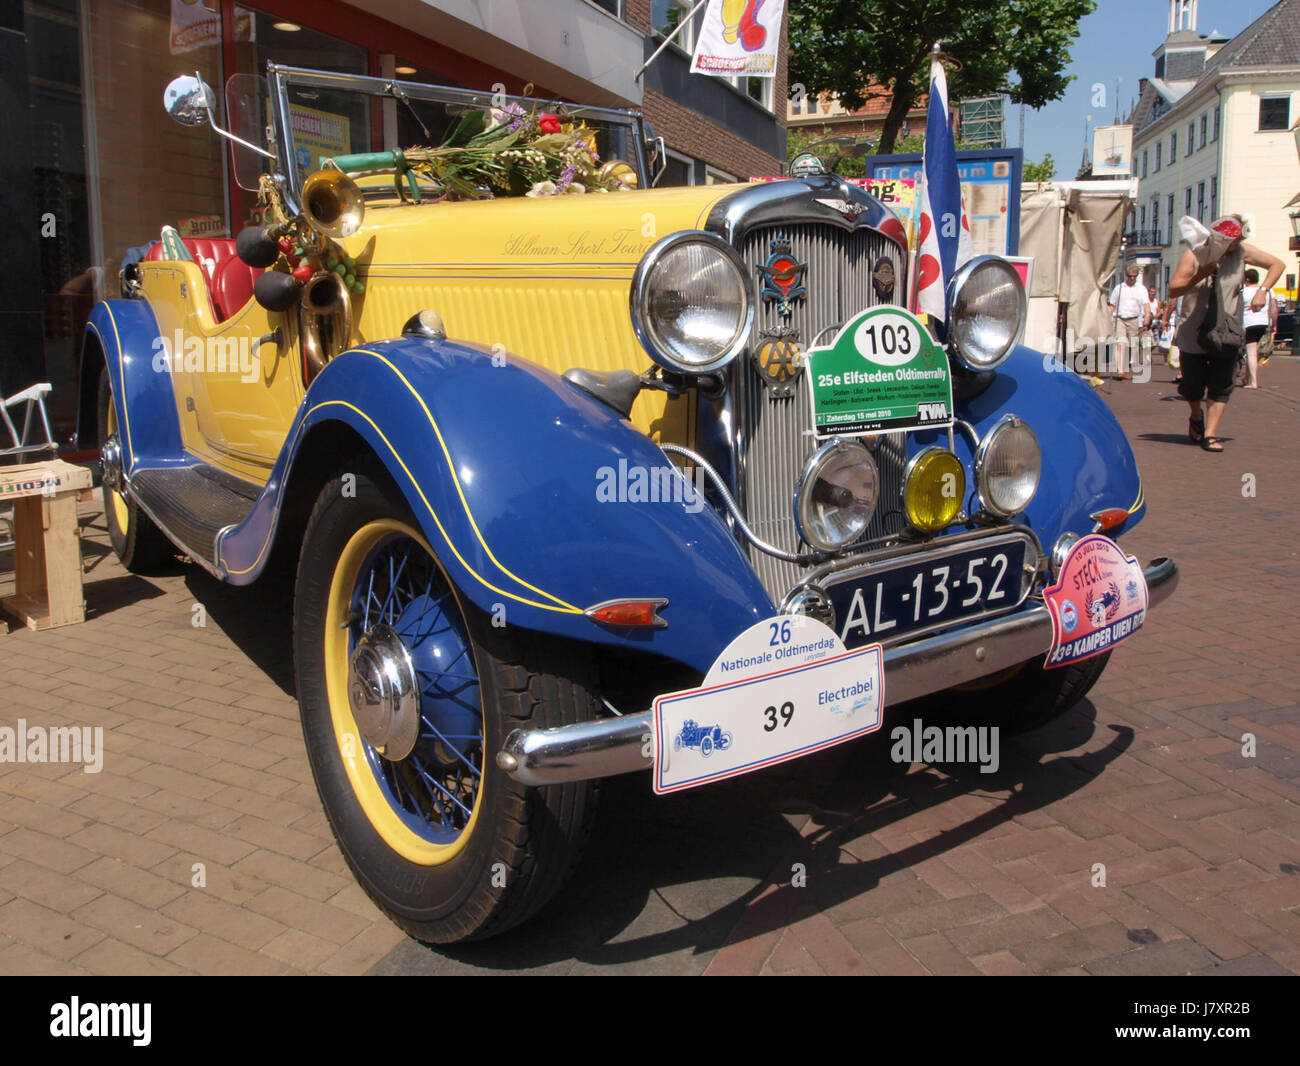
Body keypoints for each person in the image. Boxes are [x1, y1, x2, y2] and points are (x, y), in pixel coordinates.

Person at [1169, 216, 1284, 452]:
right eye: (1230, 242)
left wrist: (1263, 291)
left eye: (1237, 242)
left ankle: (1210, 434)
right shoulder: (1194, 253)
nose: (1233, 247)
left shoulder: (1241, 253)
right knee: (1192, 384)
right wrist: (1201, 274)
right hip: (1194, 326)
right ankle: (1195, 415)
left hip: (1226, 328)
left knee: (1222, 382)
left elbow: (1277, 264)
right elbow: (1174, 288)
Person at [1108, 264, 1148, 380]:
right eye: (1130, 276)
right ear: (1126, 275)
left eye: (1134, 276)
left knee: (1132, 345)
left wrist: (1148, 316)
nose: (1132, 278)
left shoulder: (1141, 289)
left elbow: (1146, 304)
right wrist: (1108, 318)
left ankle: (1126, 365)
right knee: (1121, 343)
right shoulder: (1119, 288)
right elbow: (1112, 305)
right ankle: (1120, 370)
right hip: (1120, 318)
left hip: (1134, 319)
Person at [1241, 268, 1274, 388]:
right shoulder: (1266, 291)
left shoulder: (1243, 292)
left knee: (1251, 353)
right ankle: (1246, 378)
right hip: (1264, 322)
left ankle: (1253, 382)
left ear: (1247, 279)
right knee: (1255, 353)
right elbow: (1273, 308)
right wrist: (1273, 324)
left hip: (1249, 323)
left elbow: (1237, 310)